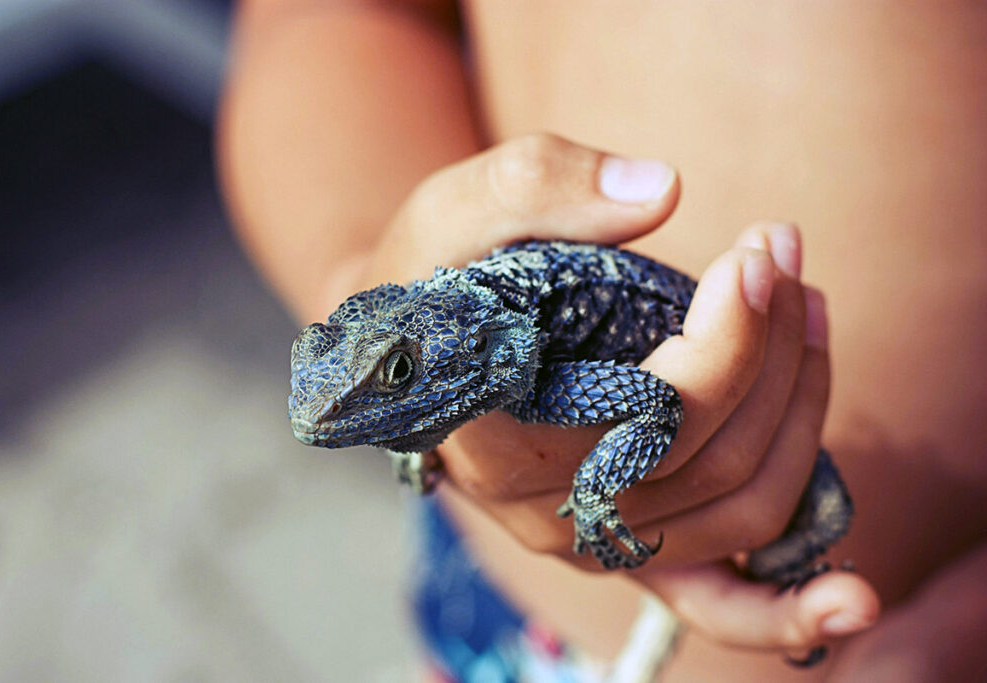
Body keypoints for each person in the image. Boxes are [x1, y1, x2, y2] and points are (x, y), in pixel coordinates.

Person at [217, 2, 987, 680]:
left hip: (912, 622)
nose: (320, 411)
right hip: (510, 615)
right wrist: (357, 269)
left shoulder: (523, 367)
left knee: (821, 514)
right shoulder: (489, 360)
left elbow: (651, 403)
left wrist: (959, 628)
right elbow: (316, 17)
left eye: (397, 371)